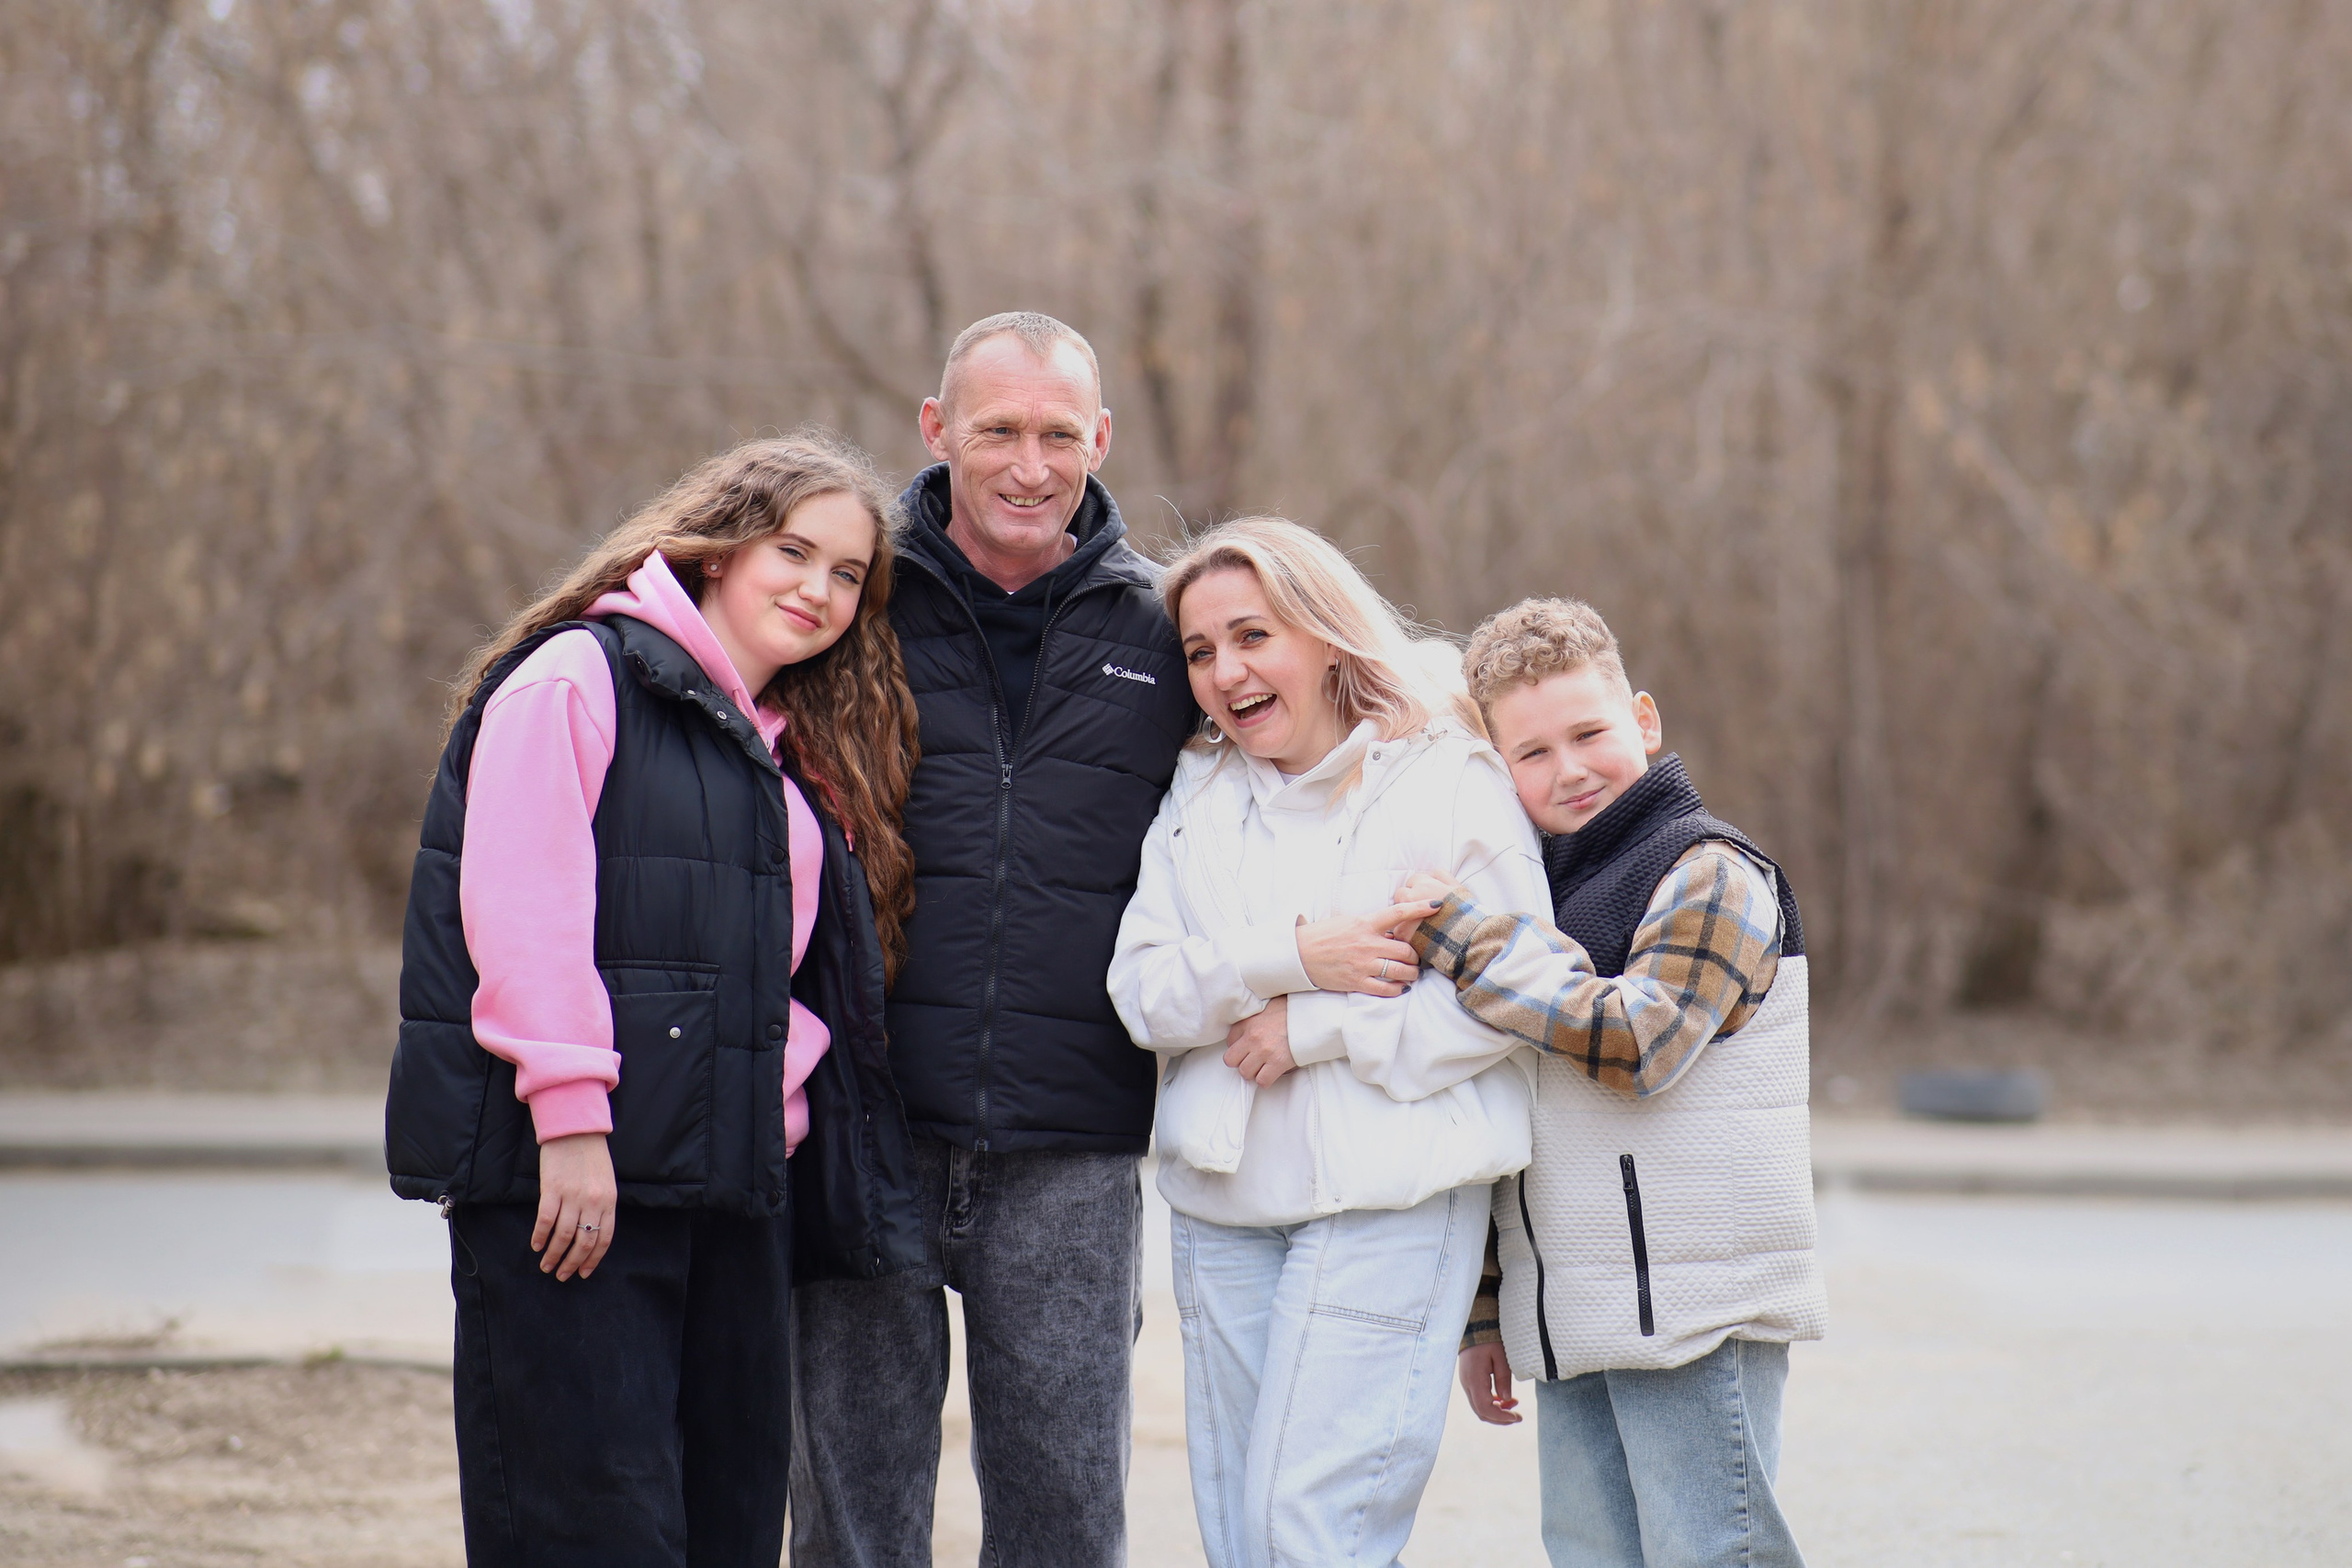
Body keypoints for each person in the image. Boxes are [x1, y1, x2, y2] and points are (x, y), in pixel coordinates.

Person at [383, 433, 929, 1568]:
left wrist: (784, 1092)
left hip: (732, 1187)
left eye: (846, 575)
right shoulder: (578, 678)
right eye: (794, 551)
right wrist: (572, 1122)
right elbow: (519, 909)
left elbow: (783, 972)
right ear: (718, 548)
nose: (818, 591)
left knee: (725, 1527)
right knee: (588, 1528)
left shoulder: (784, 747)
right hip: (577, 1182)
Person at [787, 312, 1197, 1567]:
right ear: (936, 430)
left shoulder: (1165, 628)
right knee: (853, 1509)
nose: (1030, 464)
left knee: (1066, 1513)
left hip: (1074, 1143)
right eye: (998, 430)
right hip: (870, 1120)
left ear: (1101, 439)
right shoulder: (858, 602)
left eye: (1059, 433)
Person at [1107, 516, 1552, 1568]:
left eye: (1253, 636)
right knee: (1240, 1538)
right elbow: (1144, 993)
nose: (1227, 671)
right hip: (1222, 1207)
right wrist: (1290, 956)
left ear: (1323, 632)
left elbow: (1516, 993)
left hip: (1388, 1199)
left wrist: (1317, 1028)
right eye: (1202, 651)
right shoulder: (1197, 794)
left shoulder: (1446, 779)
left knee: (1309, 1533)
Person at [1398, 597, 1826, 1568]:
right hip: (1575, 1316)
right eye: (1532, 753)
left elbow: (1640, 1046)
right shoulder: (1536, 899)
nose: (1570, 770)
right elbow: (1522, 1119)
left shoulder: (1708, 871)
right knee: (1589, 1554)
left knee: (1714, 1552)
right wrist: (1487, 1313)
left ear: (1642, 718)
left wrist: (1464, 942)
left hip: (1693, 1313)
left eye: (1588, 733)